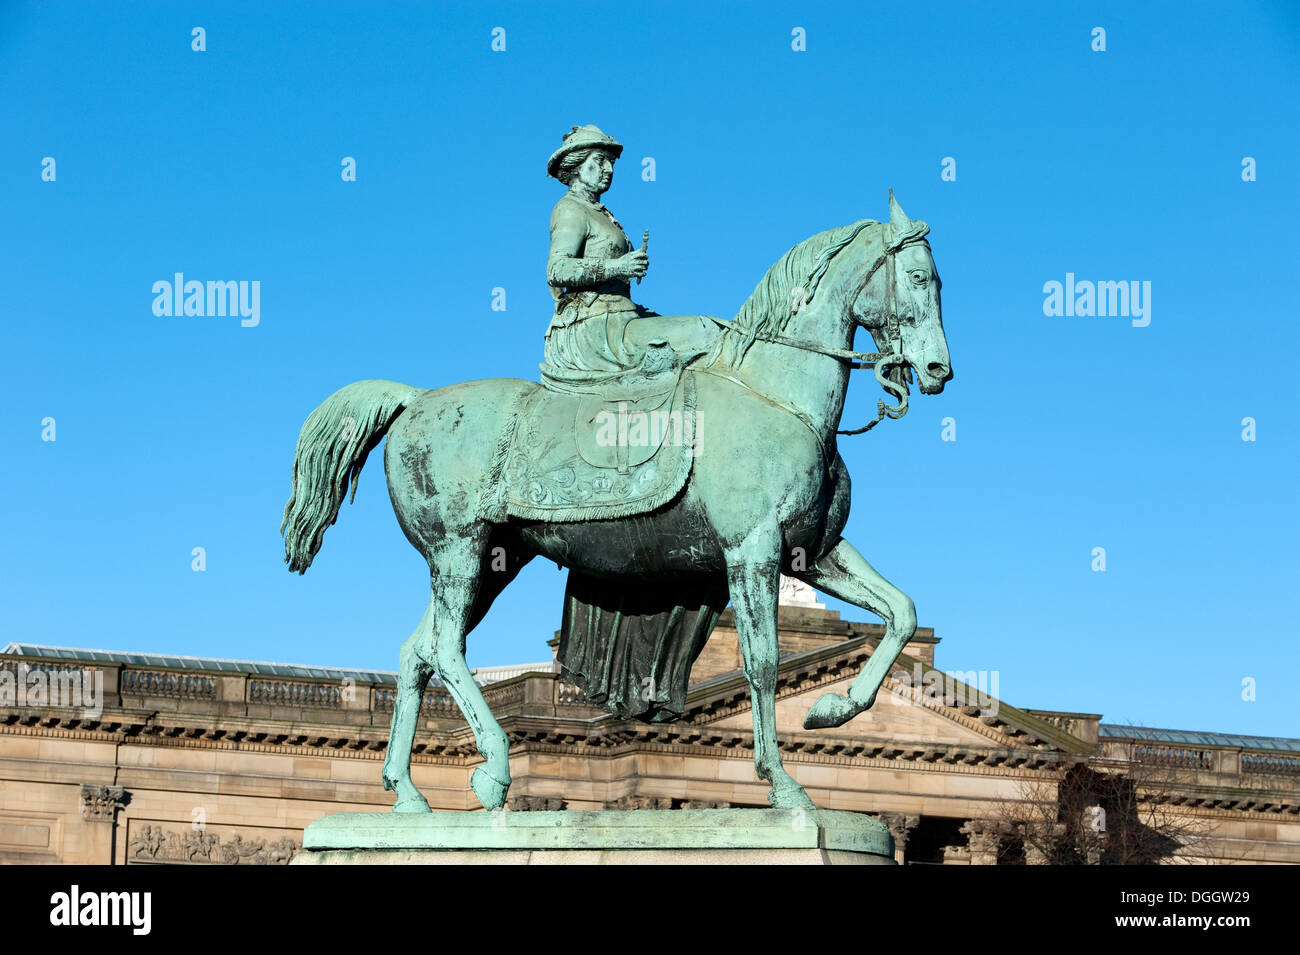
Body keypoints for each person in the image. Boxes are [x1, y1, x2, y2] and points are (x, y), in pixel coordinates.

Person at [541, 124, 718, 392]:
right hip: (594, 327)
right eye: (600, 160)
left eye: (611, 162)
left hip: (621, 317)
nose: (609, 169)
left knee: (702, 330)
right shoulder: (570, 209)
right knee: (702, 331)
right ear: (576, 165)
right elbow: (557, 268)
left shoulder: (601, 212)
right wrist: (617, 266)